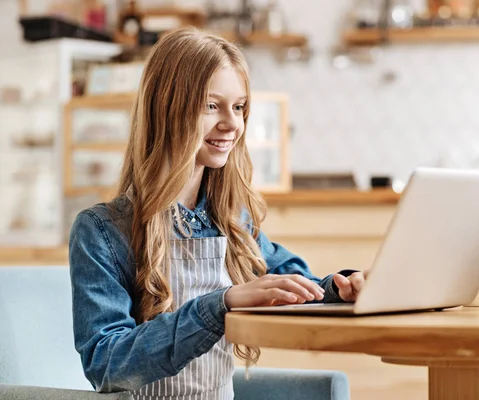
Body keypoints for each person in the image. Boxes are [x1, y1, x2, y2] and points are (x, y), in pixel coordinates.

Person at [69, 27, 367, 399]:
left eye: (239, 107)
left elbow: (297, 284)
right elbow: (107, 365)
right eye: (212, 106)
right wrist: (219, 305)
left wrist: (343, 288)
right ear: (167, 109)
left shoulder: (233, 222)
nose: (232, 124)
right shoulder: (101, 231)